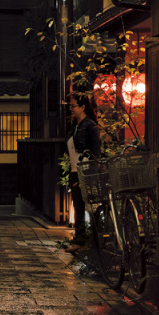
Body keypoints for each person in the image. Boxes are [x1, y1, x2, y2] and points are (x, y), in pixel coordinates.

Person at [66, 93, 101, 249]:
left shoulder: (90, 126)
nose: (70, 109)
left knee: (91, 207)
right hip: (74, 170)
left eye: (73, 106)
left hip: (86, 171)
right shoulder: (74, 126)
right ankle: (80, 241)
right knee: (78, 206)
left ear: (82, 107)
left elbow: (95, 153)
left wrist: (89, 174)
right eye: (70, 106)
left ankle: (95, 242)